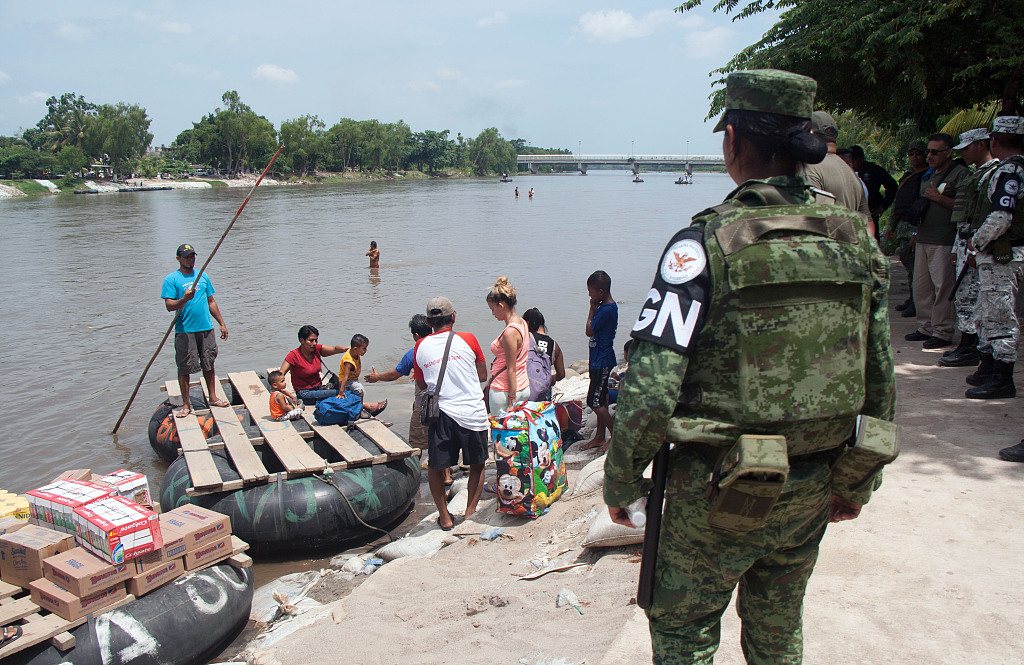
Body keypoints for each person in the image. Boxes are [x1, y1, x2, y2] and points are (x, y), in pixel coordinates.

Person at [603, 69, 896, 664]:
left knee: (685, 633)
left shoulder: (702, 243)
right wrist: (857, 478)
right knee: (779, 630)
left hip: (711, 490)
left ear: (732, 140)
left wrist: (622, 479)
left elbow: (653, 386)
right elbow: (880, 373)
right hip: (813, 483)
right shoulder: (855, 239)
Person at [414, 297, 489, 530]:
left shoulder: (420, 346)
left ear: (428, 322)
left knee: (436, 467)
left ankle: (445, 518)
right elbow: (482, 374)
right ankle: (469, 513)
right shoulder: (469, 339)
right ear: (454, 316)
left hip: (441, 414)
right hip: (472, 412)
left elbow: (421, 384)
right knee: (477, 464)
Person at [965, 117, 1024, 409]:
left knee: (1000, 317)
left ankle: (1002, 379)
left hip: (1004, 254)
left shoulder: (1011, 171)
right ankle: (990, 369)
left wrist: (976, 241)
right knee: (987, 312)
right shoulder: (1008, 169)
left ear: (995, 142)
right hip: (1001, 254)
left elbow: (1001, 216)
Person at [939, 128, 999, 368]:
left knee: (975, 300)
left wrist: (976, 247)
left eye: (967, 148)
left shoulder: (995, 173)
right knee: (964, 297)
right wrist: (958, 246)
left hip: (979, 245)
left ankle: (973, 347)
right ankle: (967, 344)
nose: (963, 153)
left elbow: (991, 216)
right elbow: (965, 217)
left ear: (982, 145)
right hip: (965, 241)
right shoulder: (976, 174)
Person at [905, 133, 970, 349]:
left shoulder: (960, 174)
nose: (929, 156)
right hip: (924, 237)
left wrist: (939, 198)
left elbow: (965, 208)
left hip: (944, 239)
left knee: (943, 287)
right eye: (928, 152)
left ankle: (942, 330)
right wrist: (915, 234)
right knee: (921, 287)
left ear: (949, 152)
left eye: (934, 152)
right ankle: (926, 327)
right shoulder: (928, 175)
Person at [161, 243, 230, 417]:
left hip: (206, 328)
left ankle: (213, 397)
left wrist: (221, 323)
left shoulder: (202, 276)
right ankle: (186, 404)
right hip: (185, 330)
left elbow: (211, 301)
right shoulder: (172, 279)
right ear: (178, 259)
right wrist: (183, 299)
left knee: (208, 362)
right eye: (186, 256)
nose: (190, 259)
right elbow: (169, 306)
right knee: (184, 367)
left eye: (192, 256)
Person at [365, 314, 434, 456]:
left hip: (424, 404)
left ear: (416, 335)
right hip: (445, 401)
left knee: (417, 444)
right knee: (438, 440)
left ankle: (418, 473)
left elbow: (394, 375)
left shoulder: (414, 353)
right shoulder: (441, 347)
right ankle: (445, 473)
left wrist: (377, 377)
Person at [801, 111, 874, 235]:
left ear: (810, 133)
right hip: (850, 250)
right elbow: (869, 224)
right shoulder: (852, 174)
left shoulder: (810, 169)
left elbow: (810, 221)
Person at [885, 141, 930, 318]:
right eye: (911, 154)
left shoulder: (927, 176)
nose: (914, 157)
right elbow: (898, 203)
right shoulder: (908, 177)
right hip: (904, 226)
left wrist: (915, 233)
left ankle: (917, 301)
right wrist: (891, 226)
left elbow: (924, 206)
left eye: (918, 153)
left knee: (916, 269)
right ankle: (913, 299)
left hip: (915, 227)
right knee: (908, 264)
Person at [579, 270, 617, 451]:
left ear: (601, 292)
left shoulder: (607, 309)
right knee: (601, 399)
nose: (589, 295)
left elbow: (589, 330)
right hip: (598, 360)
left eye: (591, 292)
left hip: (602, 360)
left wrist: (591, 310)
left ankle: (615, 436)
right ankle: (600, 436)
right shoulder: (604, 308)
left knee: (594, 402)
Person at [485, 277, 531, 414]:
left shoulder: (510, 333)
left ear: (501, 306)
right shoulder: (522, 323)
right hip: (523, 386)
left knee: (502, 433)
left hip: (505, 391)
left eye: (492, 309)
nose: (492, 313)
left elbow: (512, 369)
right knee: (518, 432)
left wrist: (511, 400)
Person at [279, 325, 349, 405]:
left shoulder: (317, 350)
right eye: (311, 340)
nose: (314, 343)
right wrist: (280, 394)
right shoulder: (294, 355)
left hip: (318, 389)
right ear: (302, 340)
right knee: (341, 393)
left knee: (347, 388)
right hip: (304, 394)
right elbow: (280, 374)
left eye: (316, 340)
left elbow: (334, 349)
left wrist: (345, 349)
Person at [851, 144, 899, 235]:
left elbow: (892, 186)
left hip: (870, 214)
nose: (852, 162)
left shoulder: (874, 170)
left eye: (855, 159)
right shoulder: (847, 170)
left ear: (861, 158)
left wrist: (883, 207)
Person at [521, 307, 566, 401]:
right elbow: (561, 374)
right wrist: (549, 379)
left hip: (525, 387)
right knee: (542, 414)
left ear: (527, 323)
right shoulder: (554, 345)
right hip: (543, 390)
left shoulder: (526, 339)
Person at [339, 334, 386, 415]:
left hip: (353, 378)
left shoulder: (354, 352)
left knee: (357, 391)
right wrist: (341, 391)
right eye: (364, 348)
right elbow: (345, 376)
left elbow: (349, 348)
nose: (366, 350)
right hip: (347, 381)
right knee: (360, 389)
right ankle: (359, 410)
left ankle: (359, 407)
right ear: (355, 349)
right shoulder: (349, 362)